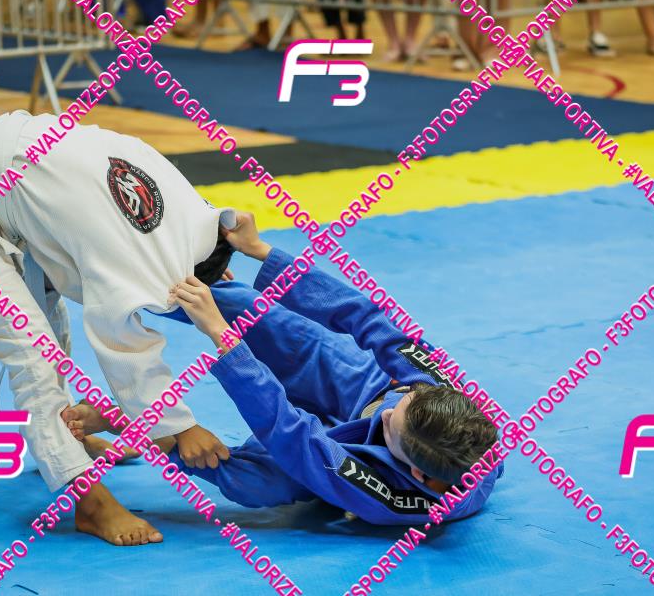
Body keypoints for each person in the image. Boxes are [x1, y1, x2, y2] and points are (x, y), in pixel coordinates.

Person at [0, 110, 233, 546]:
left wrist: (212, 261)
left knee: (51, 326)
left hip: (5, 189)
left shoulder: (188, 211)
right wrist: (179, 426)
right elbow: (122, 343)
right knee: (32, 353)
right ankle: (87, 501)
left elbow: (207, 233)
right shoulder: (127, 254)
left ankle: (63, 438)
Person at [137, 213, 501, 523]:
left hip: (339, 457)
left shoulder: (393, 496)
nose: (388, 413)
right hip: (364, 388)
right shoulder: (443, 392)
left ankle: (150, 433)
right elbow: (365, 316)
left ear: (417, 473)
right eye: (406, 399)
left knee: (264, 482)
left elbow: (290, 434)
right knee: (266, 322)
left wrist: (220, 334)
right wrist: (260, 250)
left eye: (392, 425)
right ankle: (152, 279)